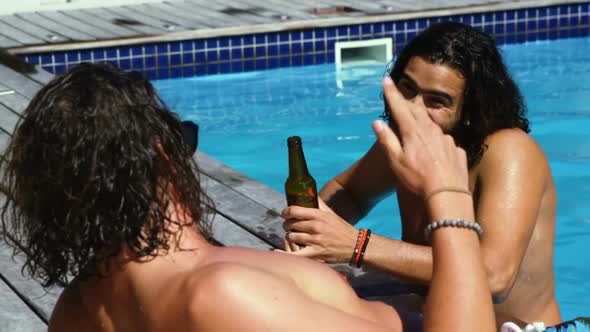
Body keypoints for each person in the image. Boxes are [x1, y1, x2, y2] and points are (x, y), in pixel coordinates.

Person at [0, 62, 496, 331]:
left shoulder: (76, 311)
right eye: (182, 137)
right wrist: (449, 198)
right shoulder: (220, 295)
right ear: (161, 155)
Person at [281, 22, 561, 327]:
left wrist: (355, 245)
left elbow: (494, 277)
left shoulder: (509, 151)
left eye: (436, 101)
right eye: (407, 89)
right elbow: (349, 192)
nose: (413, 109)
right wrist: (311, 232)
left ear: (470, 111)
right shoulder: (408, 140)